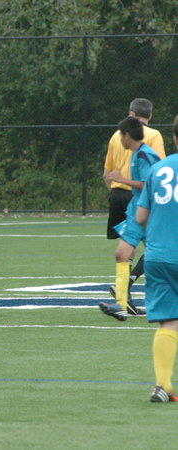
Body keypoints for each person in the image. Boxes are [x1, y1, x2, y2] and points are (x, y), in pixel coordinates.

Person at [103, 98, 165, 313]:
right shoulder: (137, 154)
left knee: (158, 256)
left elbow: (150, 184)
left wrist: (123, 180)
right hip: (136, 210)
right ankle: (121, 305)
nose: (119, 138)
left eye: (122, 135)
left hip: (146, 211)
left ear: (128, 135)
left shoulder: (145, 156)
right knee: (123, 254)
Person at [135, 114, 178, 402]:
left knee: (169, 322)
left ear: (174, 138)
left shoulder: (158, 168)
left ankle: (163, 386)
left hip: (158, 257)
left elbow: (141, 217)